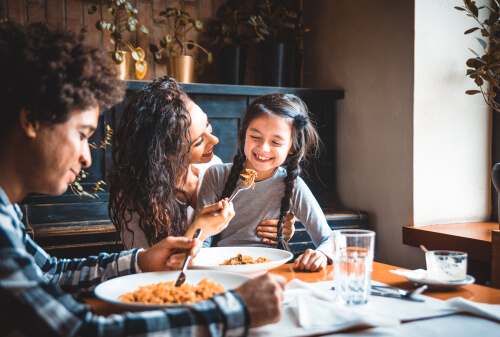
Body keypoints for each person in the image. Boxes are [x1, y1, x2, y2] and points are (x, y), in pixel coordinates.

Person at [0, 21, 285, 336]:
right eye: (82, 135)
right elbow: (80, 331)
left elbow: (51, 274)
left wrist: (141, 262)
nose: (87, 157)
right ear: (32, 120)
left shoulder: (7, 212)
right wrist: (234, 311)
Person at [108, 77, 296, 254]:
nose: (215, 140)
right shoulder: (136, 201)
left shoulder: (214, 168)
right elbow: (149, 268)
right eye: (198, 142)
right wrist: (199, 230)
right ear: (164, 152)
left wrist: (277, 230)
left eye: (207, 124)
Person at [197, 93, 333, 272]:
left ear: (292, 146)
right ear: (244, 134)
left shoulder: (293, 186)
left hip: (272, 272)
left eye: (276, 142)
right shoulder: (216, 175)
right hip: (221, 269)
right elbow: (201, 242)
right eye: (255, 137)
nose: (263, 148)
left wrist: (322, 254)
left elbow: (329, 238)